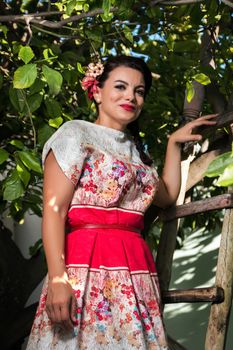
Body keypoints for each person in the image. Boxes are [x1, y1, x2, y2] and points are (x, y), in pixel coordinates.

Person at [26, 55, 216, 350]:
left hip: (136, 271)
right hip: (84, 267)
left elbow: (166, 196)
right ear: (97, 91)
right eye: (121, 86)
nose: (131, 96)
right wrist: (58, 279)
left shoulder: (137, 153)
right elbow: (55, 210)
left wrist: (172, 144)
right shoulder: (74, 134)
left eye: (139, 91)